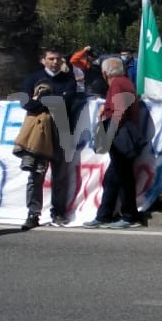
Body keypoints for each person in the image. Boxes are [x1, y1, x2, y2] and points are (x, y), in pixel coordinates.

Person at [20, 48, 84, 230]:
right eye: (51, 58)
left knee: (60, 176)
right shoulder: (32, 78)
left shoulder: (69, 79)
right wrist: (51, 100)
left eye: (58, 59)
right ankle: (33, 214)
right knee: (36, 175)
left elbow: (68, 101)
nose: (55, 62)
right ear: (43, 60)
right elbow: (25, 103)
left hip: (62, 132)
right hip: (40, 134)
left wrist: (41, 100)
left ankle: (59, 212)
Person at [86, 57, 144, 229]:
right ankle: (104, 214)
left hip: (120, 135)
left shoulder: (117, 84)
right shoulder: (125, 82)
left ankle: (128, 215)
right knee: (112, 178)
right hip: (122, 133)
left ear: (105, 74)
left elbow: (119, 110)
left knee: (123, 177)